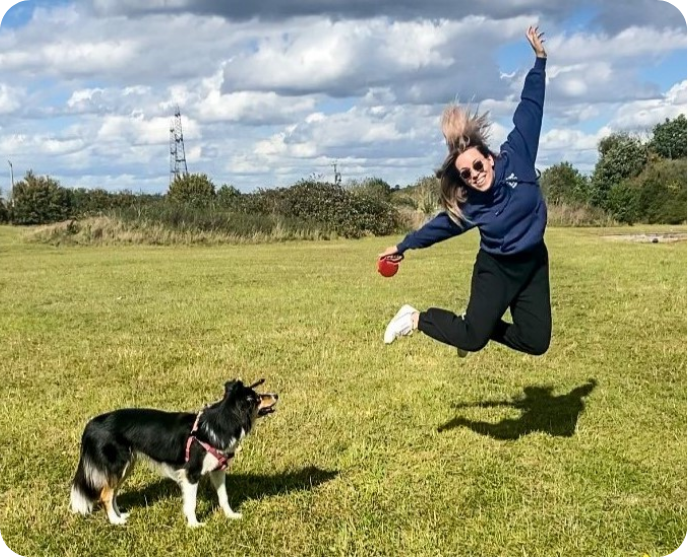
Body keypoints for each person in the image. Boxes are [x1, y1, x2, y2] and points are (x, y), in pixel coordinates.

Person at [380, 25, 551, 358]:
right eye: (466, 174)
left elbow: (531, 108)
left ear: (488, 157)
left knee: (535, 342)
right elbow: (440, 227)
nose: (475, 175)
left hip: (533, 262)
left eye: (477, 166)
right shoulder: (471, 204)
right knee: (472, 339)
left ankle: (477, 324)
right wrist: (404, 245)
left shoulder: (518, 155)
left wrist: (540, 61)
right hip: (497, 267)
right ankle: (414, 318)